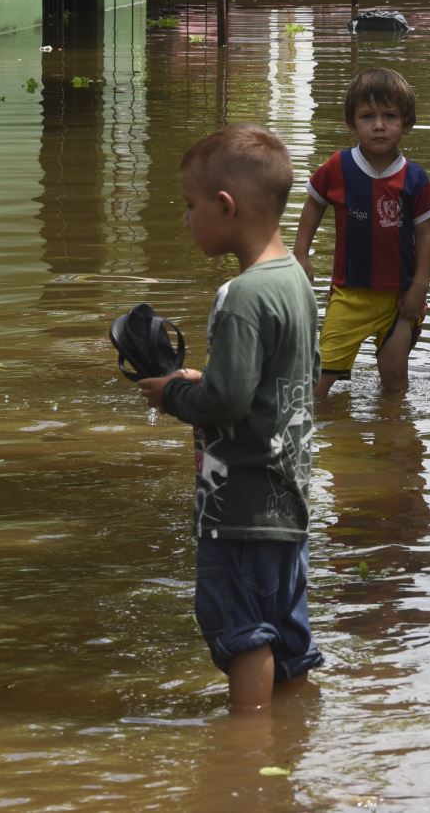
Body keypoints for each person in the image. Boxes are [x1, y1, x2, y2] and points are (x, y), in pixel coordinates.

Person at [137, 124, 323, 715]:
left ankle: (245, 753)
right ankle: (293, 746)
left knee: (243, 634)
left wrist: (172, 396)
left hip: (238, 505)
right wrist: (204, 379)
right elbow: (282, 379)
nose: (186, 221)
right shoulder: (295, 280)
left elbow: (227, 404)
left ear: (225, 206)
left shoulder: (242, 295)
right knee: (285, 634)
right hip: (287, 499)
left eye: (191, 207)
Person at [295, 67, 430, 400]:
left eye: (389, 115)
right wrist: (300, 254)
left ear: (406, 122)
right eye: (367, 116)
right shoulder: (338, 167)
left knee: (394, 379)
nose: (378, 125)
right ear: (352, 123)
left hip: (399, 299)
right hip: (350, 295)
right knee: (318, 383)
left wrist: (419, 289)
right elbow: (314, 204)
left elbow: (427, 236)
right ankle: (325, 443)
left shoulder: (415, 179)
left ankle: (393, 435)